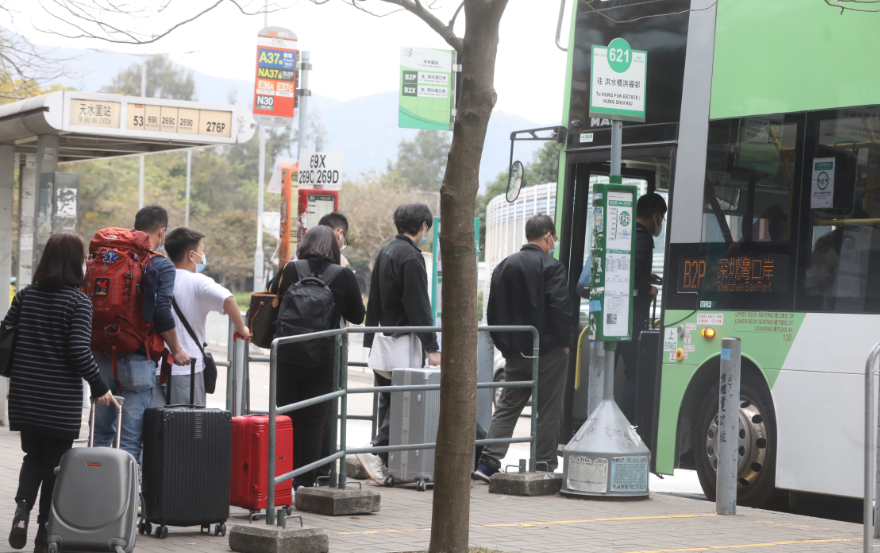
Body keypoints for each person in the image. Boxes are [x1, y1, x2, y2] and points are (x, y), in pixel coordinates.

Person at [5, 233, 117, 553]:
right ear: (76, 262)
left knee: (33, 457)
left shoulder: (26, 295)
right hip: (59, 399)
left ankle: (22, 512)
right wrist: (99, 387)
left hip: (25, 395)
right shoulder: (79, 301)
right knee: (56, 464)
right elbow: (79, 351)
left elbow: (6, 332)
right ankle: (44, 534)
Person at [474, 214, 573, 482]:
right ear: (547, 236)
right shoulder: (552, 267)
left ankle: (487, 463)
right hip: (549, 351)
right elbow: (561, 309)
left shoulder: (504, 266)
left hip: (516, 353)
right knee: (549, 408)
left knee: (508, 405)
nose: (555, 242)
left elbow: (492, 312)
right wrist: (566, 343)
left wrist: (506, 346)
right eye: (554, 237)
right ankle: (542, 465)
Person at [266, 225, 365, 489]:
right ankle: (305, 483)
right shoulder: (343, 275)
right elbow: (358, 315)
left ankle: (280, 481)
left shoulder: (290, 269)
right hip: (322, 359)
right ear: (334, 247)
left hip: (286, 356)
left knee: (285, 418)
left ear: (304, 245)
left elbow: (269, 296)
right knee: (313, 422)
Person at [92, 205, 191, 461]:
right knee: (130, 437)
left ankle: (94, 494)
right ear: (162, 231)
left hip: (102, 354)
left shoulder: (107, 257)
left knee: (100, 432)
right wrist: (177, 349)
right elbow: (161, 311)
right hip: (137, 356)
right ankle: (127, 499)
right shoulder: (160, 264)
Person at [356, 203, 440, 483]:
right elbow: (418, 305)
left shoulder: (386, 250)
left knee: (388, 401)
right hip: (403, 341)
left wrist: (370, 338)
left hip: (383, 338)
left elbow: (374, 299)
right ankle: (377, 450)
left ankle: (386, 463)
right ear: (424, 226)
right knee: (402, 401)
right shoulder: (412, 258)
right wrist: (432, 346)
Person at [153, 227, 249, 406]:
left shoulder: (156, 277)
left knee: (155, 429)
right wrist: (241, 328)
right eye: (201, 252)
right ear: (191, 255)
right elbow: (227, 298)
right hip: (186, 369)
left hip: (153, 367)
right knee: (187, 428)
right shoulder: (197, 281)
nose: (203, 257)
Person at [618, 193, 667, 422]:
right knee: (635, 373)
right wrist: (648, 288)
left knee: (607, 368)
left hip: (616, 311)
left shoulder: (624, 234)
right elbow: (632, 273)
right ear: (656, 215)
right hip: (632, 315)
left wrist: (648, 276)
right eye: (663, 218)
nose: (661, 224)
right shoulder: (644, 238)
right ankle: (625, 426)